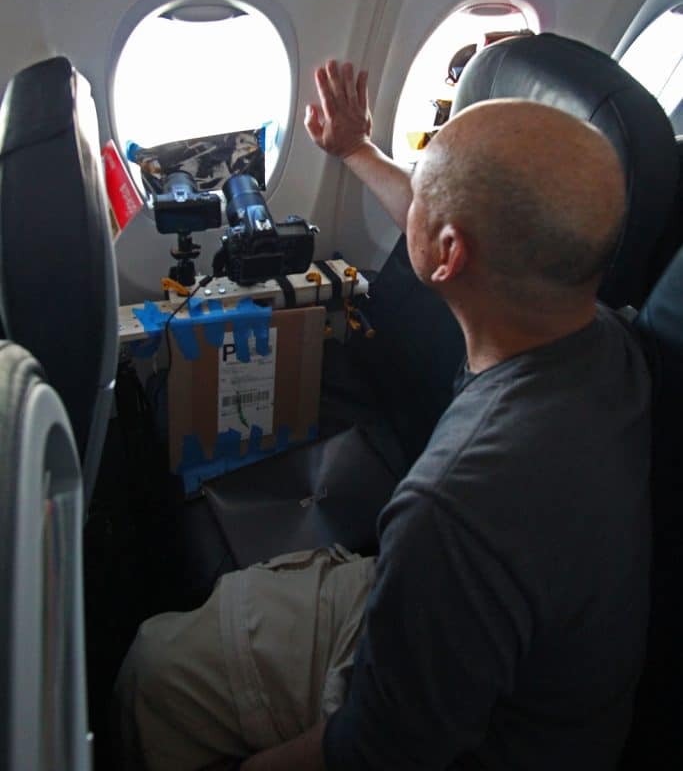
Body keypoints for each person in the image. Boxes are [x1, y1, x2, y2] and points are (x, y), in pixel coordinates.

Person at [113, 59, 651, 771]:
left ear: (450, 253)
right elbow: (450, 231)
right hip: (515, 657)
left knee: (154, 671)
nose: (412, 202)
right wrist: (355, 149)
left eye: (424, 188)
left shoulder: (452, 503)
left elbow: (376, 749)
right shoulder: (602, 335)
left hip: (479, 738)